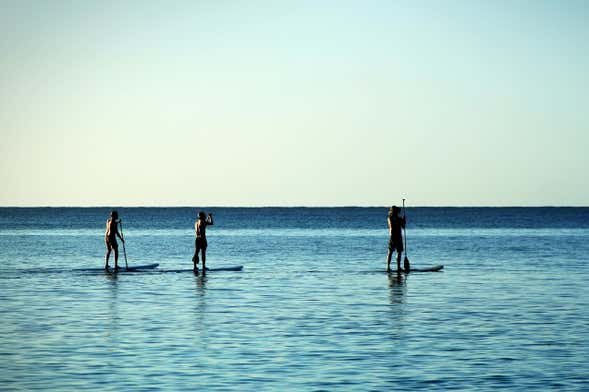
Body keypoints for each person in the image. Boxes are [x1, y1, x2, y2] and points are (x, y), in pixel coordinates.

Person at [386, 206, 406, 272]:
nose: (398, 212)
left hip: (399, 237)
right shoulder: (390, 218)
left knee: (399, 252)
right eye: (396, 211)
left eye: (398, 211)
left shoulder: (399, 218)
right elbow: (392, 226)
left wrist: (404, 221)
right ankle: (388, 267)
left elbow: (403, 227)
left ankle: (398, 267)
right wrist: (401, 221)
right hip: (393, 236)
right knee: (390, 252)